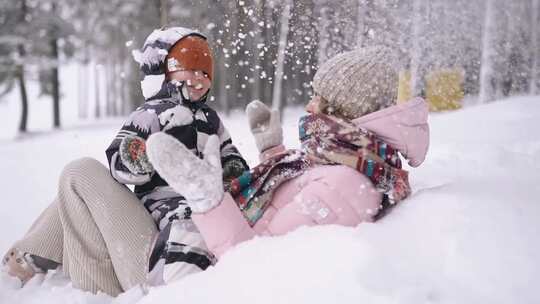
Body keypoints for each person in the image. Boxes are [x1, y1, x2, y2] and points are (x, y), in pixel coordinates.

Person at [1, 27, 248, 296]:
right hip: (159, 225)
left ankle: (31, 257)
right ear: (162, 70)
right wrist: (141, 157)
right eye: (190, 69)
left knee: (80, 180)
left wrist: (232, 169)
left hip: (181, 249)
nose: (199, 78)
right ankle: (29, 258)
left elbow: (229, 153)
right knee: (83, 185)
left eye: (205, 72)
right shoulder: (151, 113)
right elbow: (119, 161)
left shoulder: (211, 120)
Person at [146, 45, 430, 259]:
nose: (310, 106)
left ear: (348, 110)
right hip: (195, 242)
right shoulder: (348, 159)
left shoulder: (345, 184)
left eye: (320, 98)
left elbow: (253, 264)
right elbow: (287, 210)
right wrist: (272, 151)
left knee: (98, 183)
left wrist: (207, 200)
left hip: (192, 262)